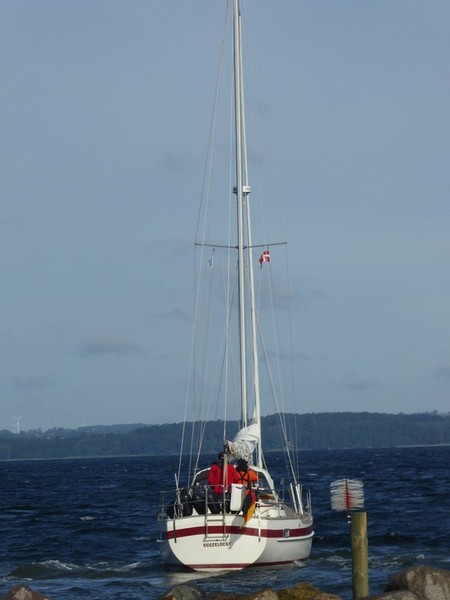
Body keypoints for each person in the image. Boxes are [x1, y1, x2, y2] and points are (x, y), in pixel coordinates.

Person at [236, 458, 258, 524]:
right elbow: (256, 478)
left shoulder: (236, 472)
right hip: (246, 493)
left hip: (237, 493)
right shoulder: (250, 472)